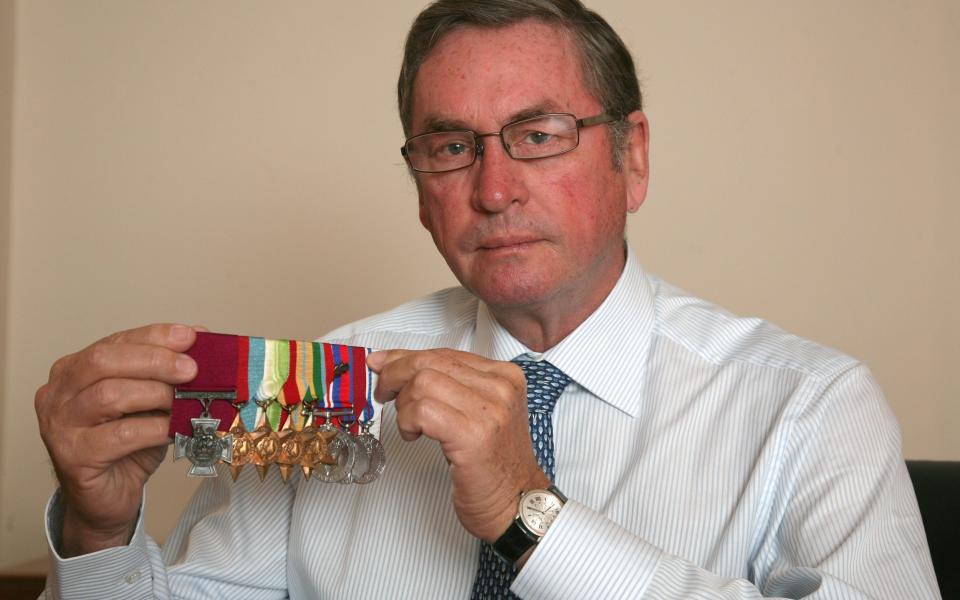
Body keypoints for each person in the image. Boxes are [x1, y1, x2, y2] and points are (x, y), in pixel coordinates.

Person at [34, 1, 939, 598]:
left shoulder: (811, 406)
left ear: (633, 158)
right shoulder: (334, 384)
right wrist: (101, 529)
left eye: (538, 135)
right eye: (451, 146)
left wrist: (531, 516)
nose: (495, 188)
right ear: (420, 182)